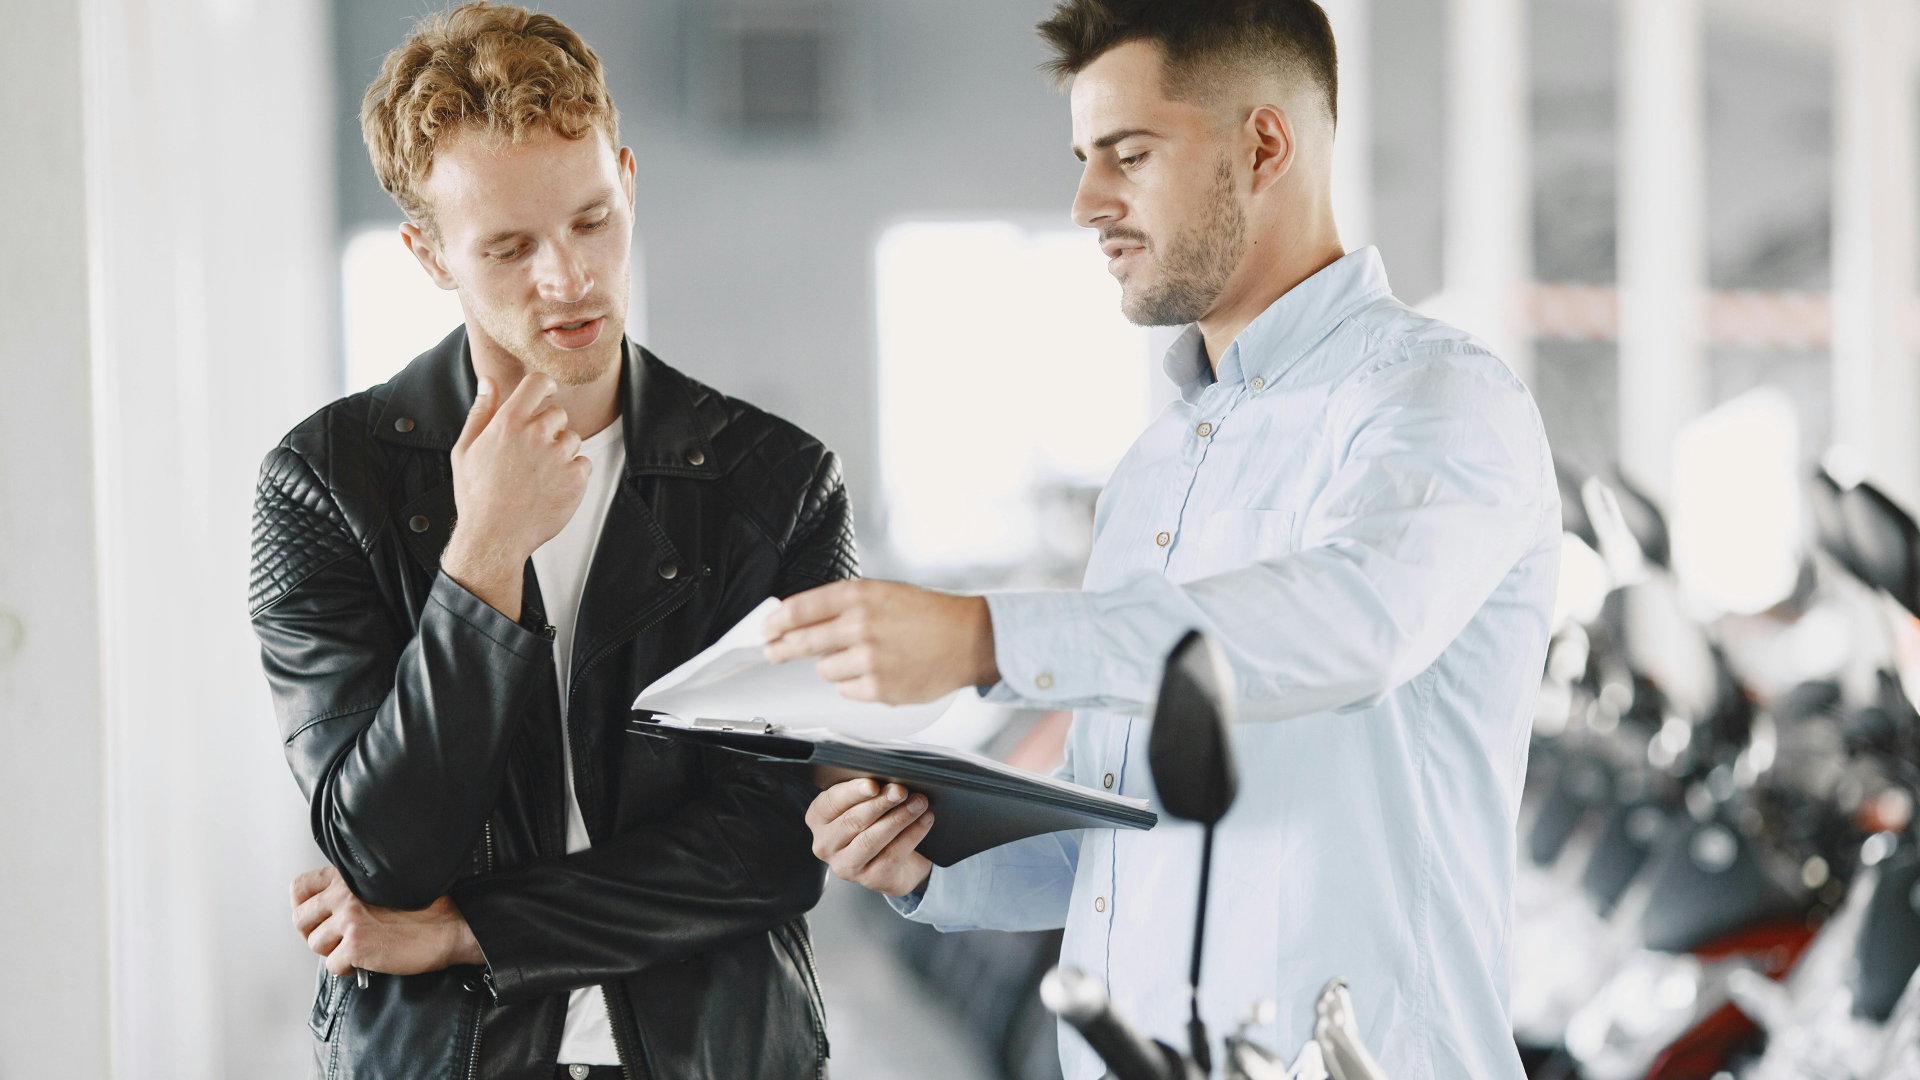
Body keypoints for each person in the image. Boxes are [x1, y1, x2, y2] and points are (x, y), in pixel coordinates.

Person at [768, 1, 1559, 1078]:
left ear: (1264, 144)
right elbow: (1128, 835)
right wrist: (925, 858)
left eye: (1128, 155)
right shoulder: (1156, 467)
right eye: (1086, 158)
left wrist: (986, 640)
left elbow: (1354, 623)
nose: (1089, 202)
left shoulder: (1433, 399)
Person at [249, 5, 851, 1077]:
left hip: (720, 1050)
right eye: (509, 247)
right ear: (429, 255)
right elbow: (384, 852)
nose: (568, 278)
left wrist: (468, 930)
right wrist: (481, 554)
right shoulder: (325, 486)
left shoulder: (778, 483)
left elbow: (771, 845)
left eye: (591, 220)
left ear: (627, 178)